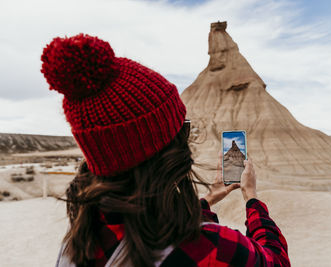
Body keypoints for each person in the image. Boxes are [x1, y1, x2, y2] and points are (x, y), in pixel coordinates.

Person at [41, 34, 290, 267]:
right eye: (182, 128)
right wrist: (252, 198)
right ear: (165, 148)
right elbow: (274, 260)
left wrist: (208, 199)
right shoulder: (208, 246)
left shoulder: (81, 237)